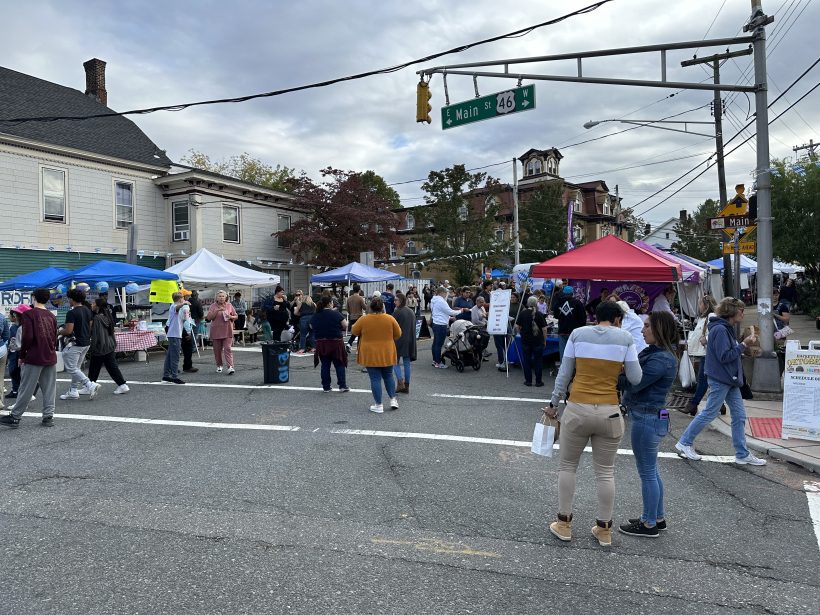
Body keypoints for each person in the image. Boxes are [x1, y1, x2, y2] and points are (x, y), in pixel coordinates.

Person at [546, 301, 642, 547]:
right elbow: (635, 377)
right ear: (618, 319)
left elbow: (565, 373)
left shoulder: (578, 334)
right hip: (609, 410)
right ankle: (604, 529)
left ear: (594, 316)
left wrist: (554, 403)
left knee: (568, 466)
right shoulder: (625, 338)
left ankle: (564, 524)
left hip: (577, 408)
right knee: (605, 472)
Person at [675, 297, 766, 466]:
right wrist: (744, 345)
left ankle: (742, 453)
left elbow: (726, 353)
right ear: (732, 311)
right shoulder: (721, 330)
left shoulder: (723, 328)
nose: (743, 313)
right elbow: (725, 356)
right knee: (710, 412)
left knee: (739, 416)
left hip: (728, 379)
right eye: (741, 310)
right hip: (722, 378)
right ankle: (684, 442)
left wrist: (741, 347)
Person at [618, 312, 678, 538]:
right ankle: (657, 516)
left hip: (647, 417)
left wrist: (616, 373)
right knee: (651, 470)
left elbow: (635, 383)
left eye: (647, 326)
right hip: (651, 415)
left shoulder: (660, 359)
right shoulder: (657, 353)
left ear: (659, 329)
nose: (643, 330)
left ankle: (649, 522)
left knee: (647, 473)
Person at [1, 288, 58, 428]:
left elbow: (27, 337)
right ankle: (48, 417)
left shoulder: (29, 314)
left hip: (34, 355)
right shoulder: (51, 315)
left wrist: (22, 355)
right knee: (49, 388)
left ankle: (15, 417)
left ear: (34, 298)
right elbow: (54, 337)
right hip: (50, 355)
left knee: (26, 387)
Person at [352, 296, 402, 413]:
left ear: (370, 307)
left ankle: (379, 405)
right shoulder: (389, 318)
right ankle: (393, 399)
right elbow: (398, 333)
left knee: (375, 379)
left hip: (370, 353)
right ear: (382, 307)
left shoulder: (364, 319)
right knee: (389, 376)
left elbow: (354, 331)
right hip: (387, 351)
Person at [58, 288, 101, 400]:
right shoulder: (87, 310)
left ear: (72, 299)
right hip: (86, 342)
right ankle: (73, 390)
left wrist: (58, 331)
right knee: (76, 368)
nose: (68, 301)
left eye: (69, 299)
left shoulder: (72, 313)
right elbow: (90, 326)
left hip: (75, 343)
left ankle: (89, 384)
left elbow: (68, 330)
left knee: (72, 368)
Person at [683, 295, 717, 416]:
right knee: (711, 381)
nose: (699, 306)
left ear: (706, 305)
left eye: (700, 304)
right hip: (705, 353)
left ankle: (693, 404)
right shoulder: (703, 317)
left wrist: (706, 339)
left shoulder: (711, 317)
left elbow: (715, 332)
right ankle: (721, 405)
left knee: (703, 380)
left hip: (707, 353)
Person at [88, 297, 129, 395]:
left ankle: (89, 385)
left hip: (101, 345)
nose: (92, 305)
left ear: (97, 306)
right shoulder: (107, 316)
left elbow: (96, 334)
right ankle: (122, 385)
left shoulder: (97, 318)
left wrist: (92, 346)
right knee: (108, 366)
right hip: (109, 344)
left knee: (96, 366)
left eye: (93, 303)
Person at [310, 295, 349, 393]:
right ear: (329, 303)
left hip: (322, 342)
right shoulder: (336, 313)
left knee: (325, 365)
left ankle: (326, 386)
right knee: (339, 364)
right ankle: (342, 385)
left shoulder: (316, 314)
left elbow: (311, 326)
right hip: (336, 342)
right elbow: (345, 325)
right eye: (332, 302)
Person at [430, 286, 467, 369]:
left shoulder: (434, 300)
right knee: (439, 344)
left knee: (435, 344)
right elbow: (450, 311)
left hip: (436, 323)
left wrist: (449, 318)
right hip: (441, 325)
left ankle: (435, 360)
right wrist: (460, 311)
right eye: (445, 292)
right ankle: (438, 362)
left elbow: (439, 312)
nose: (446, 294)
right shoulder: (441, 301)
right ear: (441, 293)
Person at [515, 296, 548, 387]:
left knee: (527, 361)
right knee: (538, 361)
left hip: (526, 340)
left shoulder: (523, 313)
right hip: (538, 341)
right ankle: (538, 381)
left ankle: (528, 381)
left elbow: (517, 326)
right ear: (536, 303)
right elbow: (544, 329)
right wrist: (544, 340)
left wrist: (521, 333)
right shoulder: (540, 314)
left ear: (528, 303)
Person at [205, 290, 238, 375]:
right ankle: (219, 365)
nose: (221, 298)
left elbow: (236, 316)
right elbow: (209, 318)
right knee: (217, 350)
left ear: (226, 297)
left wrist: (230, 316)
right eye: (219, 296)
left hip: (227, 330)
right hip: (216, 331)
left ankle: (230, 367)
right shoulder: (213, 306)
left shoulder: (229, 305)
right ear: (216, 297)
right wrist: (217, 311)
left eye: (223, 296)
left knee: (228, 348)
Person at [553, 285, 586, 365]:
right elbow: (583, 319)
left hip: (562, 331)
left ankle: (563, 371)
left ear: (563, 293)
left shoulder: (558, 302)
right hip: (574, 332)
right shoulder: (578, 303)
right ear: (572, 293)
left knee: (563, 353)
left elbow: (556, 315)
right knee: (573, 352)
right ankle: (573, 371)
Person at [392, 293, 417, 394]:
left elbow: (392, 327)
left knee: (394, 361)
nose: (394, 302)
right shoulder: (411, 311)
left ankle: (400, 383)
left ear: (401, 300)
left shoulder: (397, 312)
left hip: (399, 340)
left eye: (396, 300)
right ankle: (407, 385)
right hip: (410, 339)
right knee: (407, 363)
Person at [161, 292, 187, 384]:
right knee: (175, 356)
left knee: (169, 356)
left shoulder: (176, 308)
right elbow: (176, 308)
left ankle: (166, 375)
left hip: (174, 334)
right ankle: (175, 376)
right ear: (180, 299)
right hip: (174, 335)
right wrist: (184, 304)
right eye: (183, 298)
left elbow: (182, 319)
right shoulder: (173, 306)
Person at [179, 292, 198, 373]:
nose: (189, 296)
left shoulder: (175, 305)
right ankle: (187, 366)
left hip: (178, 327)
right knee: (188, 348)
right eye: (187, 295)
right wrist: (189, 332)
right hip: (183, 328)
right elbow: (186, 319)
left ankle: (173, 367)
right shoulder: (185, 306)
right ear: (184, 296)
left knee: (176, 349)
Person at [0, 307, 8, 405]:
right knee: (0, 377)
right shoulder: (2, 317)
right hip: (1, 349)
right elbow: (6, 335)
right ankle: (0, 402)